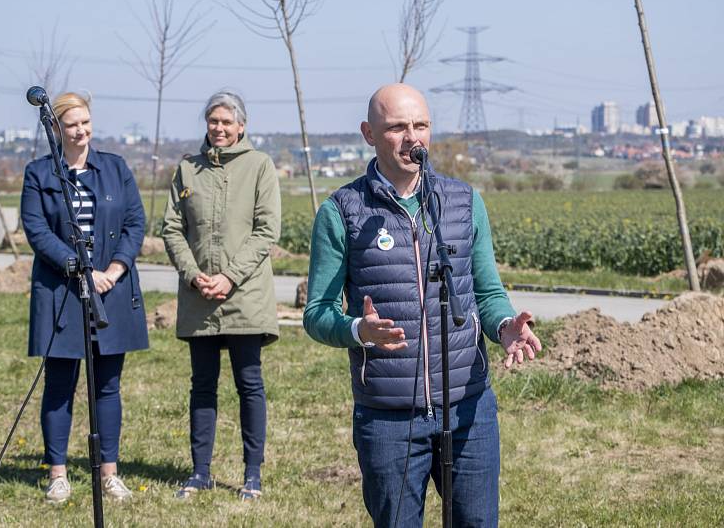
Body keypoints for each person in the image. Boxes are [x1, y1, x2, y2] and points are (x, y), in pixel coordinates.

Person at [303, 83, 542, 527]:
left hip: (468, 409)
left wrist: (505, 325)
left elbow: (486, 293)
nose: (412, 136)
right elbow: (317, 312)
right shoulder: (342, 211)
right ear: (369, 134)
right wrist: (358, 330)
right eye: (397, 127)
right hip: (388, 417)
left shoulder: (463, 202)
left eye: (421, 125)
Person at [21, 91, 149, 504]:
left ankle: (109, 473)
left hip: (112, 290)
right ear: (56, 129)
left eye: (86, 122)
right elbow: (37, 230)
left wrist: (113, 270)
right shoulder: (39, 173)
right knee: (60, 384)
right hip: (61, 291)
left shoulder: (115, 168)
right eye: (72, 124)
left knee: (108, 385)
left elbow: (134, 221)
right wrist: (78, 269)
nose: (81, 131)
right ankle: (57, 473)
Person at [162, 91, 281, 501]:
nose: (219, 128)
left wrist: (229, 277)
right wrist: (195, 276)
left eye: (227, 122)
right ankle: (200, 472)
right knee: (202, 385)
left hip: (245, 295)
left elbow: (267, 230)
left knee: (249, 383)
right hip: (199, 299)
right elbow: (172, 229)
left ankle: (252, 474)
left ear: (242, 126)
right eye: (213, 121)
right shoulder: (187, 170)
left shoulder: (260, 166)